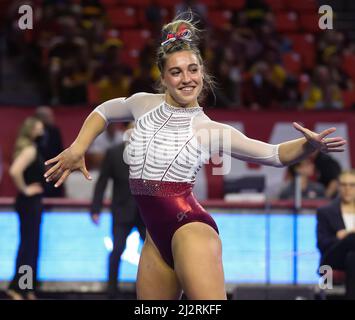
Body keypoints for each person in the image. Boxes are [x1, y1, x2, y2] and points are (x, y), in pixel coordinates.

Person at [44, 14, 346, 300]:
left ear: (203, 73)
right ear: (163, 77)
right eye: (176, 72)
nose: (186, 79)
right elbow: (104, 112)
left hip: (190, 230)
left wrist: (309, 146)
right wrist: (77, 147)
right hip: (154, 239)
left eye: (193, 70)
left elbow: (274, 154)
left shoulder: (209, 129)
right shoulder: (141, 104)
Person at [90, 122, 146, 299]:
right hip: (122, 211)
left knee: (155, 253)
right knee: (117, 250)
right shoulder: (113, 153)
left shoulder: (152, 153)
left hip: (146, 213)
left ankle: (152, 291)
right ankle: (111, 290)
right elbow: (102, 181)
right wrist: (95, 208)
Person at [7, 117, 45, 300]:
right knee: (28, 246)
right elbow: (14, 171)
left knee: (31, 246)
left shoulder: (31, 149)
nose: (43, 132)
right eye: (39, 128)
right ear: (31, 131)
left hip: (31, 203)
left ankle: (26, 287)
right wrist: (26, 190)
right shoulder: (30, 150)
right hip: (29, 204)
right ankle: (19, 288)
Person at [317, 170, 355, 300]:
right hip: (332, 258)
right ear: (338, 187)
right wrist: (339, 237)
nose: (347, 189)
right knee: (351, 238)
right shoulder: (325, 212)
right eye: (344, 185)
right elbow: (321, 244)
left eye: (352, 185)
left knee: (352, 257)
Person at [34, 106, 64, 197]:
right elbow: (34, 154)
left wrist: (59, 168)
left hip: (54, 169)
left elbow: (61, 151)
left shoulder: (55, 131)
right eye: (49, 116)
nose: (52, 118)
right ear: (40, 118)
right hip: (38, 170)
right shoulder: (33, 133)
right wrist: (44, 167)